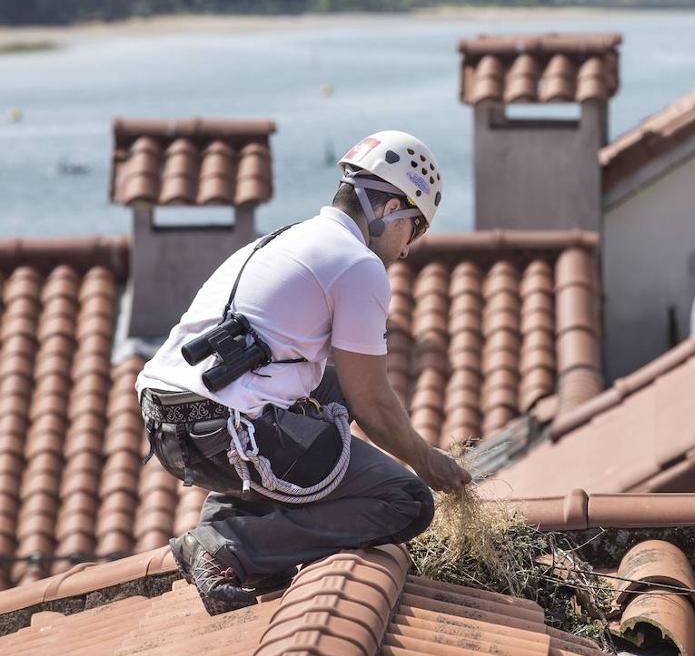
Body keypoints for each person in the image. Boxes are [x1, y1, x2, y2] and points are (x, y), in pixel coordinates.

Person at [135, 130, 471, 615]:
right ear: (390, 208)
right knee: (406, 501)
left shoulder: (286, 236)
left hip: (167, 421)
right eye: (414, 228)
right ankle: (228, 546)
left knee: (331, 388)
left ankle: (233, 523)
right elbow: (373, 402)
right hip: (223, 427)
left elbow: (350, 392)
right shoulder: (358, 264)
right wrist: (426, 460)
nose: (408, 248)